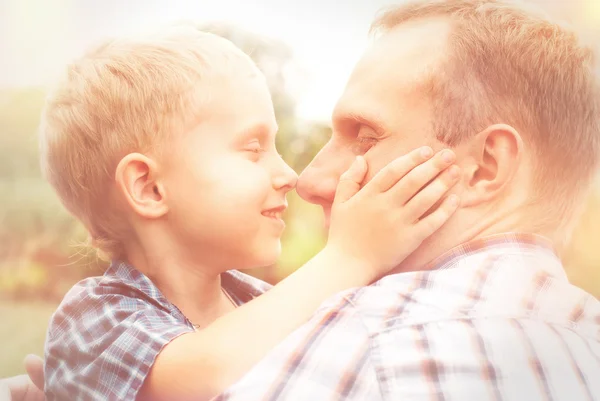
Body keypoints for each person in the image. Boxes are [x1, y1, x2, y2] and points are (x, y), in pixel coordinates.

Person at [6, 0, 600, 399]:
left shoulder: (360, 345)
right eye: (252, 149)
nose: (299, 176)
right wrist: (347, 258)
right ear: (150, 188)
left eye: (367, 134)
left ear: (487, 166)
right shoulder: (96, 316)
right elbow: (199, 373)